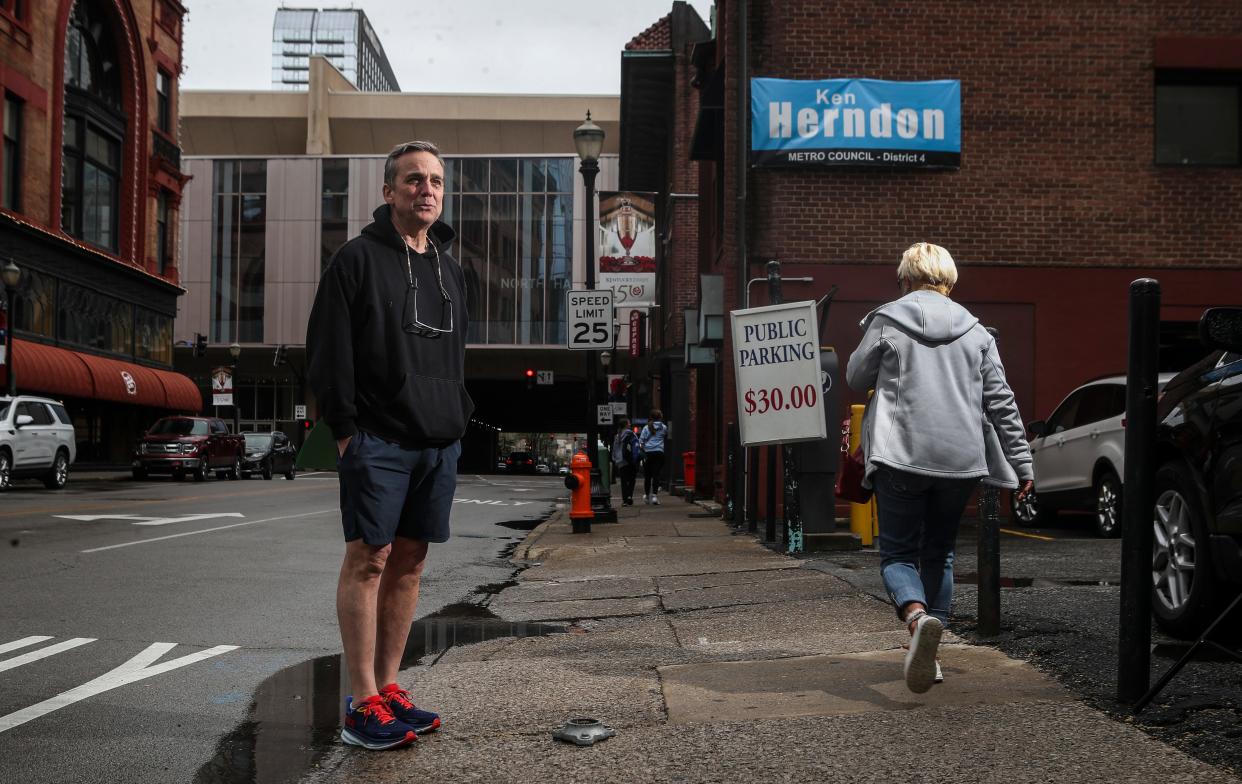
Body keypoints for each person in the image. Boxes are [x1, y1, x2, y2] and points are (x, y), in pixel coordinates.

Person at [307, 140, 472, 750]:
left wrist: (456, 420)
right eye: (412, 180)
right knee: (369, 560)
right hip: (376, 437)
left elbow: (454, 357)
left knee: (410, 564)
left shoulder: (450, 270)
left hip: (437, 441)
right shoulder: (355, 260)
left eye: (434, 180)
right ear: (388, 191)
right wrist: (347, 431)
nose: (424, 190)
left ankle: (389, 687)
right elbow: (328, 350)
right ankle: (360, 703)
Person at [845, 242, 1033, 694]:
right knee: (940, 554)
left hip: (901, 457)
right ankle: (932, 648)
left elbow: (855, 377)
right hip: (961, 461)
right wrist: (1023, 463)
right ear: (949, 282)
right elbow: (1002, 404)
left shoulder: (888, 319)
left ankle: (915, 617)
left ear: (906, 279)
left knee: (897, 554)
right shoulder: (977, 333)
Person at [639, 409, 668, 504]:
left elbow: (641, 441)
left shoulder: (646, 428)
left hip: (648, 453)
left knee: (647, 476)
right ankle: (655, 496)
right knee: (656, 475)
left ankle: (647, 496)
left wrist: (644, 450)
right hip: (659, 452)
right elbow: (664, 436)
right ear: (660, 417)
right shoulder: (663, 427)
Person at [611, 417, 639, 505]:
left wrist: (615, 459)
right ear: (626, 425)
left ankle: (624, 500)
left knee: (623, 480)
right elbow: (636, 445)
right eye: (629, 423)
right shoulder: (631, 434)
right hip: (630, 459)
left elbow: (614, 449)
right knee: (631, 479)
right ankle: (629, 496)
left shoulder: (617, 436)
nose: (630, 424)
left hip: (621, 461)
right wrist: (636, 457)